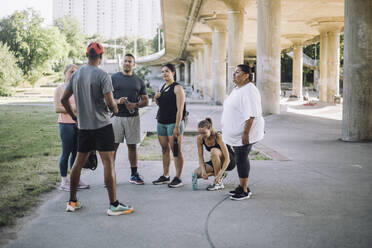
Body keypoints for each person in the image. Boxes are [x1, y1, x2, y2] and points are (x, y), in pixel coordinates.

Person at [61, 42, 134, 215]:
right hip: (102, 126)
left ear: (87, 56)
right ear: (100, 57)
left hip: (84, 127)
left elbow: (64, 100)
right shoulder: (102, 75)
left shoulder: (76, 75)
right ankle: (114, 205)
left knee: (78, 163)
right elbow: (110, 102)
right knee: (108, 163)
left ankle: (72, 202)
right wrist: (116, 109)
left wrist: (74, 117)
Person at [221, 64, 265, 201]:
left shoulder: (249, 90)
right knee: (240, 158)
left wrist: (246, 133)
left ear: (246, 75)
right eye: (234, 72)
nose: (234, 74)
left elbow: (252, 115)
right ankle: (242, 186)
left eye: (237, 72)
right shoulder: (238, 88)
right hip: (236, 133)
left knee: (241, 158)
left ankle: (244, 190)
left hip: (244, 133)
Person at [111, 54, 148, 185]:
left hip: (133, 118)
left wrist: (135, 105)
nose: (127, 63)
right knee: (113, 147)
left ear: (134, 64)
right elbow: (106, 98)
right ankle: (110, 174)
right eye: (125, 61)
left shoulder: (139, 80)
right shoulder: (113, 78)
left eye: (130, 61)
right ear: (122, 63)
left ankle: (134, 174)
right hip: (116, 117)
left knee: (132, 146)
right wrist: (117, 101)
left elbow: (146, 101)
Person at [53, 64, 89, 191]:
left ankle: (76, 180)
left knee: (76, 153)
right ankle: (64, 182)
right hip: (66, 125)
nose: (73, 74)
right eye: (71, 71)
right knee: (66, 153)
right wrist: (73, 108)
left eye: (76, 72)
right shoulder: (60, 88)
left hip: (79, 125)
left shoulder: (79, 89)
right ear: (65, 73)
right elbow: (57, 108)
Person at [152, 63, 186, 188]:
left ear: (173, 73)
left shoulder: (177, 88)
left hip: (173, 123)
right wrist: (156, 98)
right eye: (162, 71)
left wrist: (177, 126)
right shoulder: (162, 86)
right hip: (161, 122)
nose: (164, 74)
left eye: (167, 71)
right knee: (164, 149)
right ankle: (166, 176)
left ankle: (178, 177)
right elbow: (161, 104)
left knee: (176, 150)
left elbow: (180, 109)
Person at [192, 118, 235, 191]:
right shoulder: (200, 138)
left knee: (213, 151)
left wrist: (218, 175)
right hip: (215, 161)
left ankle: (218, 182)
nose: (202, 135)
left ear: (210, 129)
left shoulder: (218, 136)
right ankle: (220, 174)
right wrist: (203, 171)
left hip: (229, 161)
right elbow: (200, 157)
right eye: (200, 133)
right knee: (196, 173)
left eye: (204, 133)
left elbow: (227, 159)